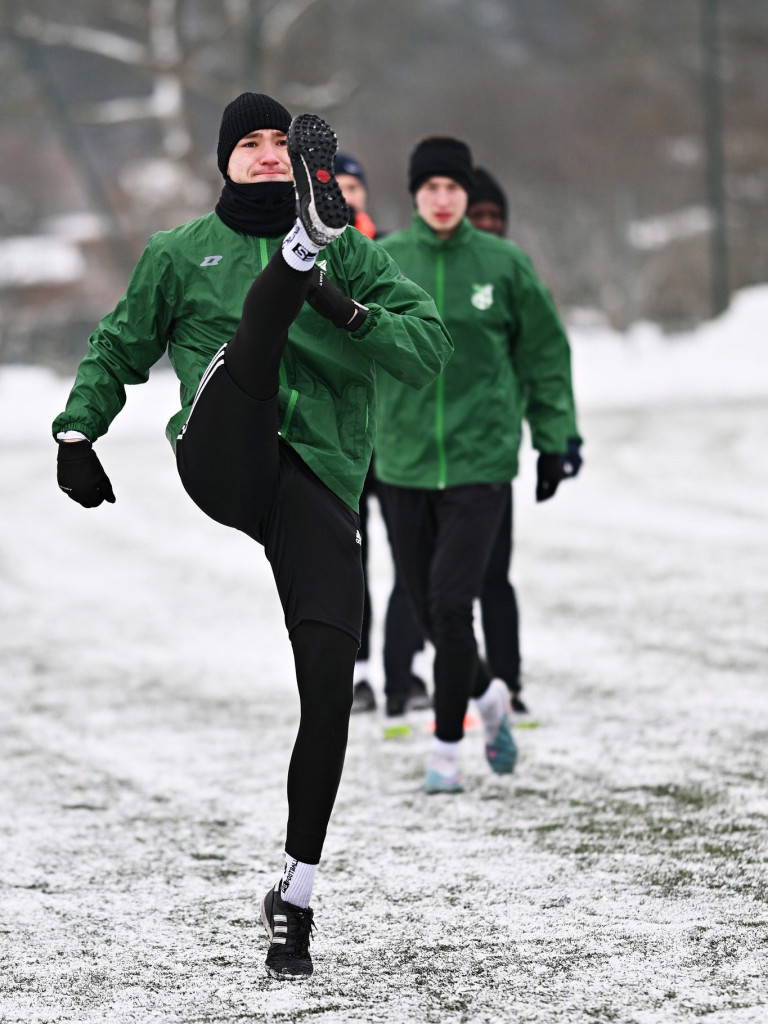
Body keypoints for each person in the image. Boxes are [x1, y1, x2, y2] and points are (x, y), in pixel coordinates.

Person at [52, 94, 452, 980]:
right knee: (247, 354)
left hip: (315, 481)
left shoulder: (362, 254)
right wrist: (78, 434)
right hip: (224, 446)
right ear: (224, 161)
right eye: (253, 144)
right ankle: (292, 257)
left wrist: (345, 309)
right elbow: (121, 345)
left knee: (326, 681)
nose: (268, 153)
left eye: (283, 143)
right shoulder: (177, 253)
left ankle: (295, 897)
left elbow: (428, 348)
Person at [374, 136, 579, 794]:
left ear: (467, 195)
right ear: (414, 193)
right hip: (402, 462)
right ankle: (490, 696)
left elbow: (544, 354)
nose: (441, 199)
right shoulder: (382, 260)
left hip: (480, 461)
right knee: (426, 606)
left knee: (451, 604)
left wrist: (555, 437)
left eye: (453, 189)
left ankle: (444, 750)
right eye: (430, 188)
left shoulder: (503, 264)